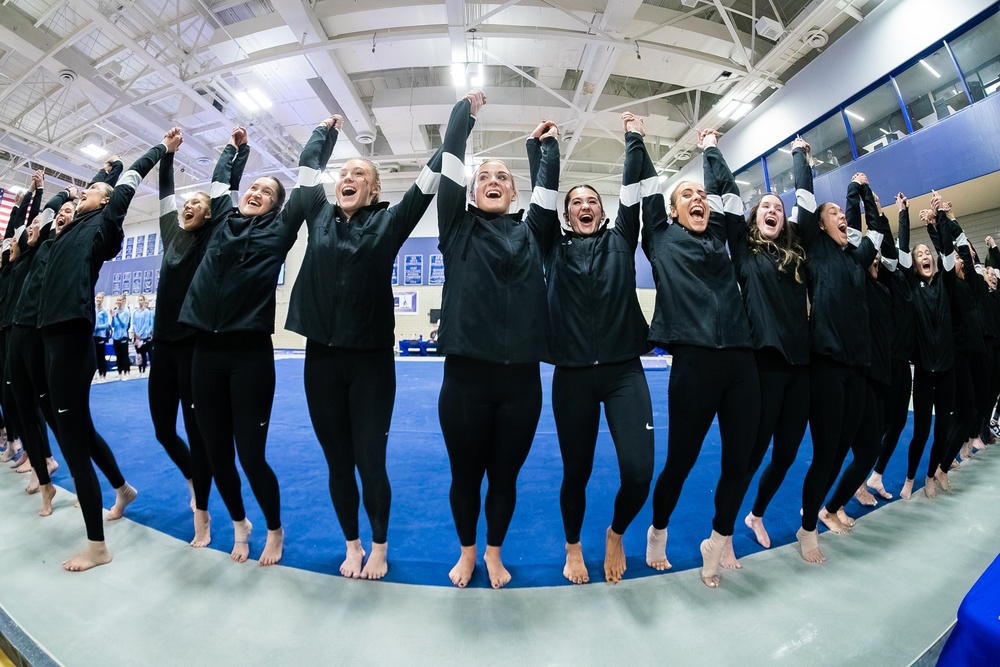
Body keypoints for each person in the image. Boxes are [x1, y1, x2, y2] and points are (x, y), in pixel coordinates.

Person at [284, 101, 453, 579]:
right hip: (320, 358)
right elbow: (306, 172)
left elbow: (428, 178)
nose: (348, 177)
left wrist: (458, 117)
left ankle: (379, 545)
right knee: (338, 463)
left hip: (372, 362)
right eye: (345, 173)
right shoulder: (317, 214)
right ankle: (352, 544)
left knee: (369, 460)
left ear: (374, 188)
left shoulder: (390, 222)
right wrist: (324, 133)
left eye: (360, 173)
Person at [436, 91, 558, 588]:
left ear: (513, 194)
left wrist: (544, 150)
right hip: (465, 379)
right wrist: (463, 117)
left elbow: (548, 190)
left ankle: (492, 552)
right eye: (483, 176)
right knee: (465, 476)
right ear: (471, 192)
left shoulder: (535, 233)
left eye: (502, 178)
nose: (492, 181)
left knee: (504, 477)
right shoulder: (456, 228)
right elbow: (449, 165)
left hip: (521, 383)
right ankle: (467, 551)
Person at [35, 133, 173, 571]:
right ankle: (122, 488)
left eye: (91, 192)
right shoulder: (71, 227)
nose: (82, 194)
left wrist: (159, 151)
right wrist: (103, 173)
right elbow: (82, 197)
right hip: (49, 335)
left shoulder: (105, 224)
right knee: (79, 429)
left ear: (104, 201)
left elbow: (126, 184)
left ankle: (97, 546)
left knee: (72, 441)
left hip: (72, 337)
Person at [180, 125, 310, 566]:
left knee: (251, 456)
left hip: (249, 356)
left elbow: (308, 190)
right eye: (253, 187)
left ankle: (274, 528)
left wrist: (319, 140)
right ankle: (239, 524)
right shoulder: (220, 226)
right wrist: (236, 152)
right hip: (205, 353)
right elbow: (222, 185)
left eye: (267, 191)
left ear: (276, 205)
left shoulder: (279, 232)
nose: (255, 192)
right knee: (217, 454)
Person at [644, 130, 760, 588]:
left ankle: (718, 538)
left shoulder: (721, 237)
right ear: (673, 211)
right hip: (693, 363)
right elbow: (646, 196)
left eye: (699, 195)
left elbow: (728, 196)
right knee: (681, 461)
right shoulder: (659, 239)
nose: (697, 199)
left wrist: (711, 149)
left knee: (740, 460)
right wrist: (637, 139)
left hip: (739, 359)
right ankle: (658, 529)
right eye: (685, 195)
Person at [543, 112, 654, 585]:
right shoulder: (552, 248)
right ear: (567, 215)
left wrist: (634, 140)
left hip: (623, 370)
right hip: (572, 376)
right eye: (576, 203)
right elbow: (541, 203)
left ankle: (615, 532)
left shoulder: (621, 238)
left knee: (638, 471)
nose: (584, 206)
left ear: (602, 212)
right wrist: (549, 150)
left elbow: (633, 192)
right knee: (577, 472)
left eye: (591, 201)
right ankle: (573, 548)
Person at [149, 126, 247, 548]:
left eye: (197, 204)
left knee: (198, 432)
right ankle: (193, 476)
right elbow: (165, 195)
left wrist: (236, 154)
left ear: (208, 215)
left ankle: (202, 515)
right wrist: (167, 155)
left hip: (193, 348)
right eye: (187, 203)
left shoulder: (211, 236)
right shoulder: (172, 235)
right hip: (161, 346)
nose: (188, 206)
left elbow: (225, 194)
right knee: (162, 430)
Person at [787, 138, 878, 563]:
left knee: (846, 448)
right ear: (820, 226)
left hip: (857, 366)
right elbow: (805, 201)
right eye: (834, 215)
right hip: (825, 365)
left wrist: (860, 195)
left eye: (843, 215)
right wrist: (802, 158)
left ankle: (827, 508)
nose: (841, 218)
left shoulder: (854, 256)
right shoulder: (814, 247)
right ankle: (808, 528)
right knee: (825, 453)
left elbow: (872, 236)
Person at [731, 151, 809, 559]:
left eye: (778, 207)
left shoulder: (797, 256)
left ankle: (756, 514)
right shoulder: (745, 253)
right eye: (765, 206)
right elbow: (727, 208)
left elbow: (809, 212)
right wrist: (712, 152)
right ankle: (722, 530)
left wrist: (802, 161)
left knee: (787, 453)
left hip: (800, 365)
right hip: (763, 363)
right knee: (753, 452)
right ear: (755, 216)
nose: (772, 210)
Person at [892, 193, 956, 500]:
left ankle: (931, 475)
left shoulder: (944, 281)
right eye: (920, 255)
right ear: (915, 265)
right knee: (920, 433)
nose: (924, 255)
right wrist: (903, 214)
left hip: (947, 370)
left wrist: (939, 215)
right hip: (926, 372)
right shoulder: (910, 286)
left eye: (926, 252)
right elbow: (902, 251)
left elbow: (947, 252)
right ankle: (909, 477)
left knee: (943, 429)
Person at [866, 192, 917, 499]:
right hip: (885, 360)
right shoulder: (885, 275)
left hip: (902, 362)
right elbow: (887, 243)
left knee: (897, 424)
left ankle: (876, 476)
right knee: (880, 425)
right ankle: (857, 480)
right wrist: (878, 211)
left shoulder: (906, 279)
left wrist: (903, 214)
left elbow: (903, 245)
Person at [110, 294, 131, 379]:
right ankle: (119, 372)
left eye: (120, 300)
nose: (118, 302)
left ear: (123, 301)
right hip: (116, 336)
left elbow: (124, 325)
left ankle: (125, 372)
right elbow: (113, 325)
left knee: (124, 355)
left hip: (123, 336)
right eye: (117, 300)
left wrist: (117, 317)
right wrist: (112, 317)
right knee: (118, 355)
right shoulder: (115, 311)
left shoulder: (126, 312)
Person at [131, 294, 153, 374]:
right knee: (138, 354)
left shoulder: (147, 312)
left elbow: (146, 323)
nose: (140, 301)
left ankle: (144, 370)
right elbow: (133, 323)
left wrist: (140, 333)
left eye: (141, 300)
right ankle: (139, 369)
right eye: (139, 300)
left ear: (144, 301)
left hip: (143, 336)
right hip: (136, 336)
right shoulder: (135, 312)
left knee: (143, 354)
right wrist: (135, 332)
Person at [93, 292, 111, 381]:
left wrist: (97, 327)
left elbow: (106, 325)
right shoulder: (93, 309)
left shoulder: (104, 312)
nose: (98, 299)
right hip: (93, 336)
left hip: (100, 336)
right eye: (97, 298)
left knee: (101, 356)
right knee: (94, 356)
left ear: (103, 299)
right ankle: (94, 373)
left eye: (100, 298)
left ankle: (102, 374)